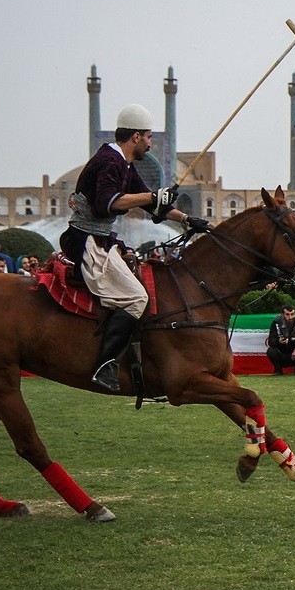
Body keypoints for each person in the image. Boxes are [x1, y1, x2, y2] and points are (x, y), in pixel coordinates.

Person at [59, 103, 205, 391]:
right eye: (149, 137)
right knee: (137, 299)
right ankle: (105, 364)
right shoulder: (110, 162)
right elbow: (108, 203)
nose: (151, 144)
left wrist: (187, 219)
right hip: (87, 241)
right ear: (136, 136)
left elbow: (151, 203)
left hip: (102, 238)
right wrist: (152, 195)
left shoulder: (124, 164)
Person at [266, 304, 295, 375]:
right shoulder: (276, 323)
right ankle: (278, 370)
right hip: (281, 354)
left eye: (292, 314)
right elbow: (271, 341)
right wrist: (279, 341)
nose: (290, 317)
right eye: (287, 314)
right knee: (271, 351)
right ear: (282, 314)